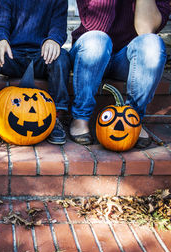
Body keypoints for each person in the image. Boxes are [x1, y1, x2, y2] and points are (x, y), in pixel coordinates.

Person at [69, 0, 171, 147]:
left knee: (152, 43)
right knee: (98, 40)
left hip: (126, 58)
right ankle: (81, 117)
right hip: (92, 55)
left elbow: (146, 30)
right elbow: (97, 26)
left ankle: (132, 118)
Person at [0, 0, 70, 146]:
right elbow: (0, 25)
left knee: (62, 57)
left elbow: (59, 28)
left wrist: (53, 40)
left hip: (42, 56)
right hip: (13, 55)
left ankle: (56, 118)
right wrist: (1, 41)